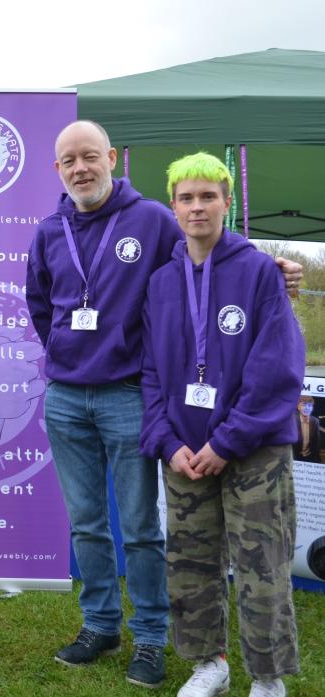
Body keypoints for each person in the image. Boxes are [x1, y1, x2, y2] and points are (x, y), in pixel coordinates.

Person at [25, 120, 303, 690]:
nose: (81, 168)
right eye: (69, 160)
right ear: (58, 170)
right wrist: (65, 350)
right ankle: (100, 625)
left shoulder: (151, 218)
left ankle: (151, 637)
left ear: (110, 159)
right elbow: (41, 304)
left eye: (90, 157)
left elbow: (208, 258)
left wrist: (271, 268)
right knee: (87, 524)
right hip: (68, 399)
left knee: (142, 528)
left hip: (129, 396)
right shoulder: (49, 230)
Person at [140, 152, 304, 697]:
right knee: (189, 563)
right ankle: (208, 663)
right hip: (185, 451)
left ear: (227, 203)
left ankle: (267, 677)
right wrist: (166, 442)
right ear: (173, 206)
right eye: (186, 197)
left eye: (208, 195)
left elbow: (276, 368)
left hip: (252, 450)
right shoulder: (162, 281)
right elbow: (151, 373)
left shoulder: (259, 270)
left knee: (262, 566)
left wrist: (228, 441)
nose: (197, 206)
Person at [293, 395, 321, 463]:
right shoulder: (292, 419)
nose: (307, 408)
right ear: (298, 407)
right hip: (294, 457)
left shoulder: (315, 421)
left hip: (310, 457)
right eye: (303, 405)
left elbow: (316, 442)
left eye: (310, 405)